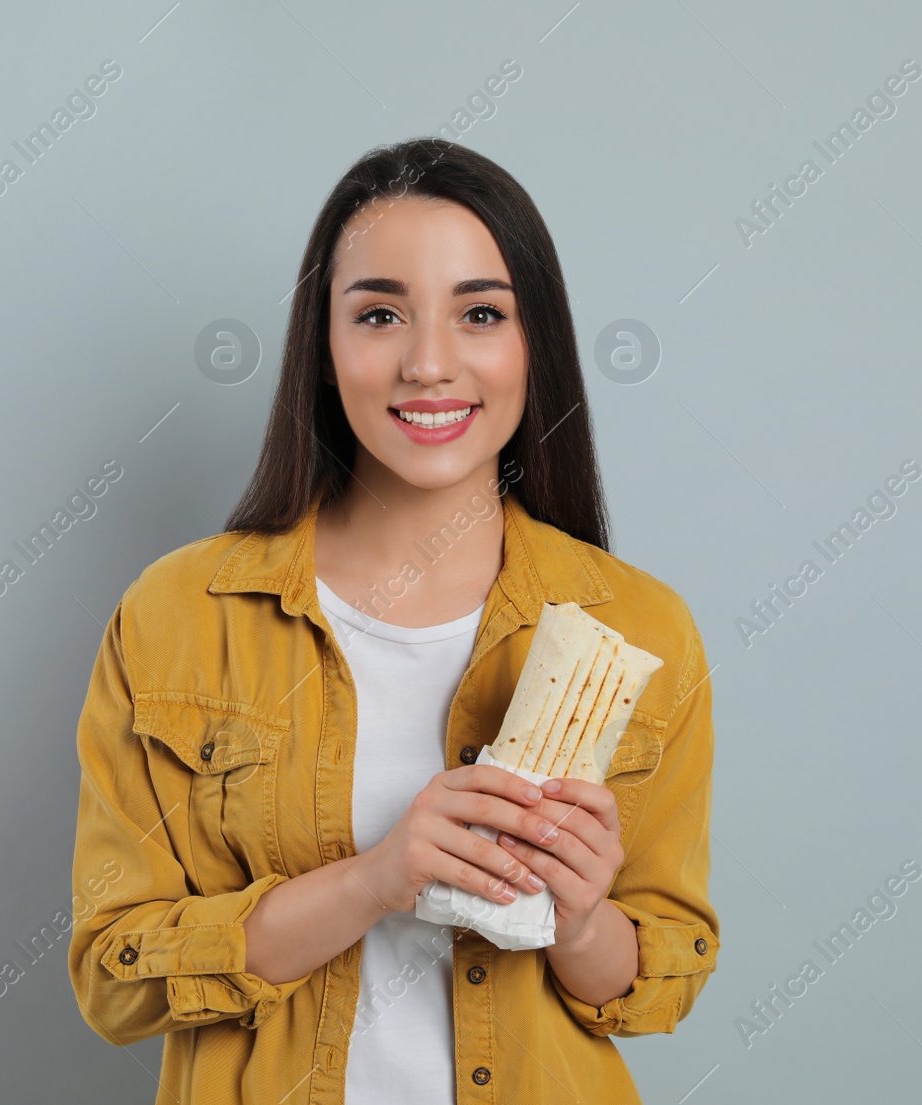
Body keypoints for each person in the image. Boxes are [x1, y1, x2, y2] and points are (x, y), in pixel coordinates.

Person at [67, 137, 718, 1104]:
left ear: (533, 345)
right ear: (323, 352)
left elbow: (663, 979)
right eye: (379, 314)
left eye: (481, 314)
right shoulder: (175, 618)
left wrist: (580, 919)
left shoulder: (643, 628)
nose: (427, 363)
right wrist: (376, 879)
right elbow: (115, 976)